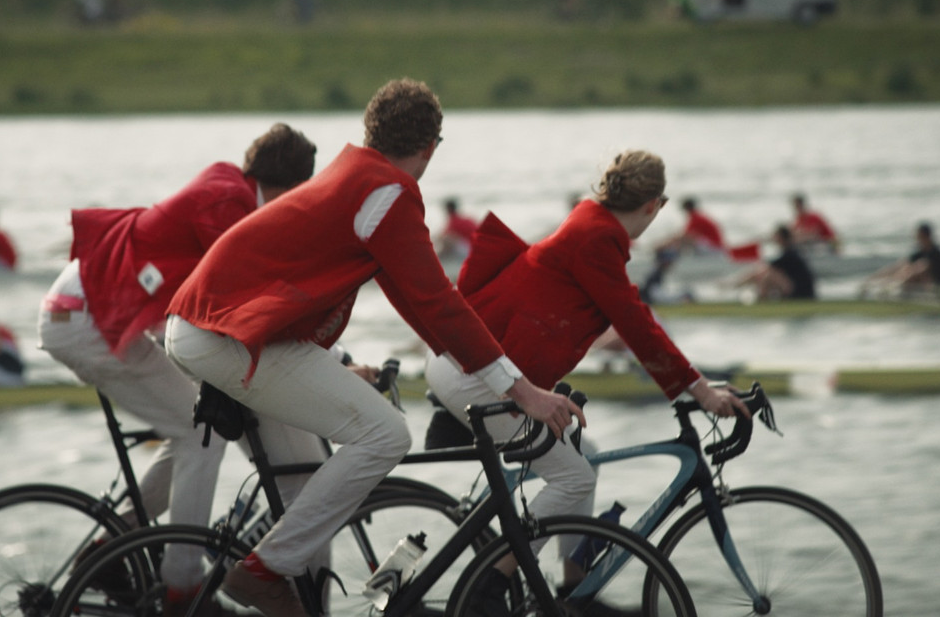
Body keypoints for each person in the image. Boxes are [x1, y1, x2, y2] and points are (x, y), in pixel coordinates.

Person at [164, 78, 583, 617]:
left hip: (207, 326)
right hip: (227, 335)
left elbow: (418, 303)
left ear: (371, 130)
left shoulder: (355, 174)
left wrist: (480, 370)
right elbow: (438, 302)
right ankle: (262, 571)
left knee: (313, 477)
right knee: (384, 433)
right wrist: (522, 391)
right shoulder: (386, 193)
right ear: (431, 147)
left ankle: (293, 586)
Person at [425, 149, 749, 602]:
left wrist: (690, 384)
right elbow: (637, 324)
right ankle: (489, 584)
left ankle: (574, 590)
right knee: (572, 477)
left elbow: (628, 319)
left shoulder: (590, 221)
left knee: (585, 458)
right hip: (475, 375)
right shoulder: (597, 239)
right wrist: (700, 390)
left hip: (476, 366)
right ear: (654, 205)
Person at [36, 123, 320, 606]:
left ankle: (112, 545)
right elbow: (245, 299)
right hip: (85, 317)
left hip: (90, 306)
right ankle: (182, 587)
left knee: (191, 427)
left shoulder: (231, 187)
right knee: (201, 435)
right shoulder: (229, 204)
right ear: (293, 190)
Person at [862, 222, 940, 296]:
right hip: (932, 287)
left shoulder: (937, 253)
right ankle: (889, 288)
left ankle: (894, 290)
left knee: (918, 268)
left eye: (919, 237)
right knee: (905, 267)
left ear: (926, 237)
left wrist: (895, 284)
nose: (917, 239)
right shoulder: (920, 252)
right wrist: (871, 279)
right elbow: (898, 266)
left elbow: (922, 269)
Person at [732, 225, 817, 301]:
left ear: (782, 238)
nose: (774, 239)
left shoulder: (790, 254)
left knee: (767, 274)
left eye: (776, 236)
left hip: (802, 294)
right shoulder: (790, 251)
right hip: (799, 290)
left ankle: (761, 300)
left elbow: (767, 268)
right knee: (764, 273)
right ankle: (737, 286)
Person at [657, 197, 726, 255]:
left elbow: (685, 236)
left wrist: (664, 244)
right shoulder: (698, 216)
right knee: (684, 240)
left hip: (715, 248)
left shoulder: (696, 218)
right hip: (715, 246)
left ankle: (672, 259)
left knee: (685, 240)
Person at [436, 196, 479, 260]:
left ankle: (437, 258)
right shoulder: (466, 219)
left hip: (470, 250)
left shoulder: (454, 221)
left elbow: (442, 236)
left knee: (447, 239)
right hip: (476, 247)